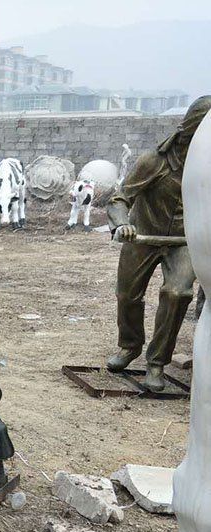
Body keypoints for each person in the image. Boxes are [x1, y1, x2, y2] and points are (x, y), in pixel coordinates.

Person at [106, 95, 211, 392]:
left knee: (177, 293)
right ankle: (129, 346)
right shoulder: (155, 161)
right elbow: (119, 199)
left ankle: (157, 362)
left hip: (183, 241)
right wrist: (122, 223)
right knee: (127, 295)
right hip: (142, 235)